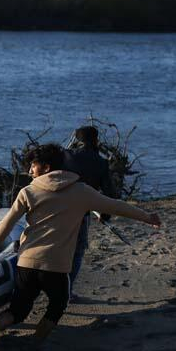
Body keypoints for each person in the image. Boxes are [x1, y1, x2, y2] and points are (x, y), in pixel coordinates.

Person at [0, 143, 161, 351]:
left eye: (33, 165)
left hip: (27, 262)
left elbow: (6, 225)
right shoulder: (82, 191)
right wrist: (147, 217)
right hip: (56, 266)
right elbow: (116, 206)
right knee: (58, 304)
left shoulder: (28, 192)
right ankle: (32, 350)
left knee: (18, 309)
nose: (30, 170)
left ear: (46, 167)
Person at [63, 126, 117, 297]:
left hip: (57, 210)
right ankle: (67, 292)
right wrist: (105, 215)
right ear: (96, 140)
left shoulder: (66, 156)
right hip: (81, 214)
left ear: (77, 140)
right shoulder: (101, 162)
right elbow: (109, 193)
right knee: (77, 252)